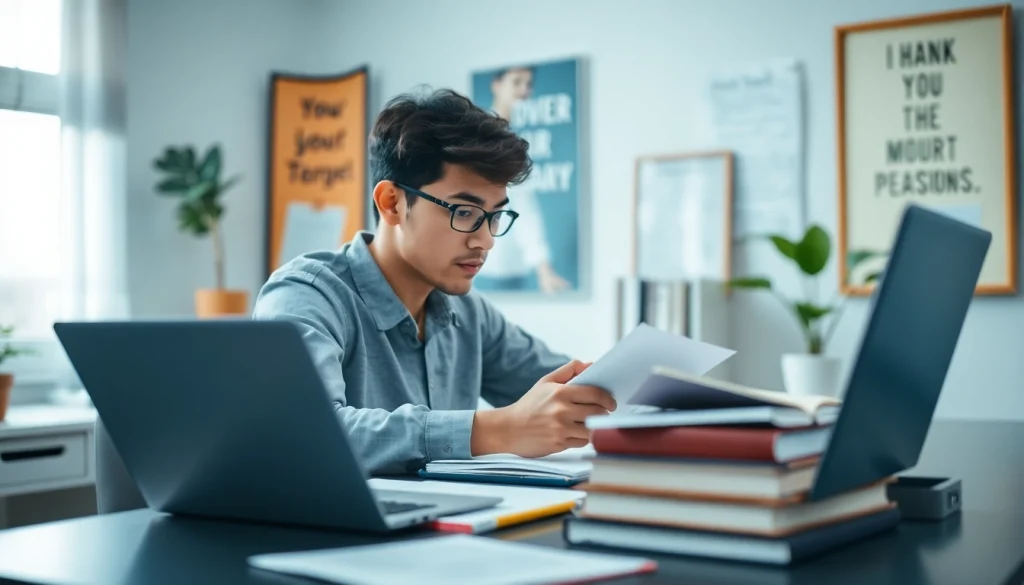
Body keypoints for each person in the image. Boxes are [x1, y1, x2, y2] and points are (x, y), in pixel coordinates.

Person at [253, 88, 616, 476]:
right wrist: (496, 430)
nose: (486, 240)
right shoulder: (305, 295)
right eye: (464, 212)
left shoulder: (469, 314)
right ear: (392, 203)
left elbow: (572, 393)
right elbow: (302, 433)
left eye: (495, 216)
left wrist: (643, 393)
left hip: (456, 513)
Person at [473, 66, 571, 294]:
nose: (523, 91)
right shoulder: (483, 137)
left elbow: (523, 203)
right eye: (516, 82)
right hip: (486, 268)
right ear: (496, 85)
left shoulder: (512, 137)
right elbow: (522, 205)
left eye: (528, 84)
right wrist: (544, 269)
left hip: (508, 265)